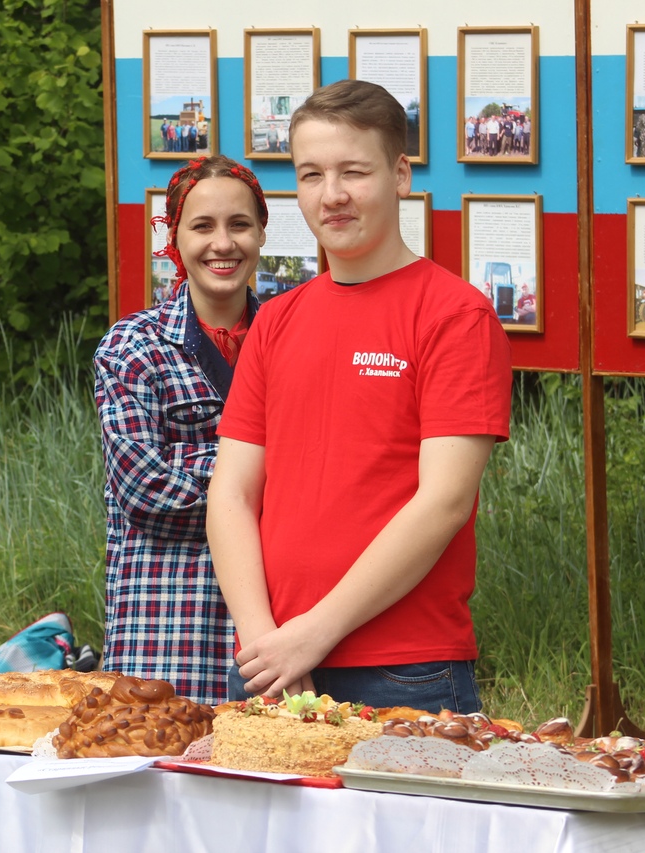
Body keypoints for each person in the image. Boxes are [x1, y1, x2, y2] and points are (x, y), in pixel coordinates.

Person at [206, 80, 512, 714]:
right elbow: (231, 492)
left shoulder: (454, 314)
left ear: (400, 175)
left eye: (354, 171)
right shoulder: (276, 320)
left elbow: (444, 502)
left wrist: (313, 634)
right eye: (311, 174)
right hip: (271, 662)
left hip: (404, 668)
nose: (332, 194)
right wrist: (266, 641)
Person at [94, 155, 269, 705]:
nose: (223, 243)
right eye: (202, 226)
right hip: (167, 630)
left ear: (262, 231)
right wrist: (267, 475)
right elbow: (147, 493)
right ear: (174, 237)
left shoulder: (291, 342)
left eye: (239, 224)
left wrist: (194, 459)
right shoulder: (131, 347)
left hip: (273, 631)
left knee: (272, 774)